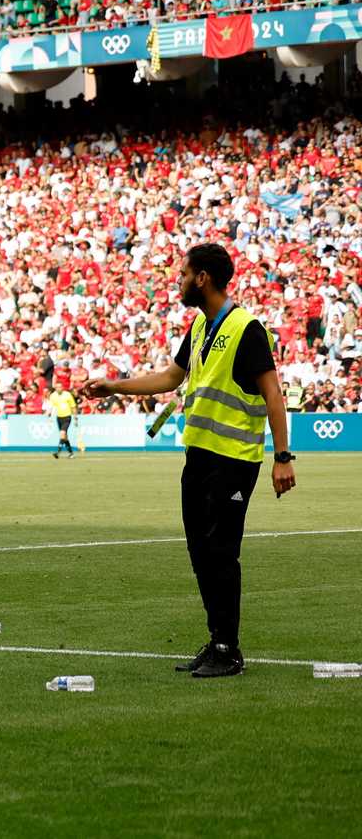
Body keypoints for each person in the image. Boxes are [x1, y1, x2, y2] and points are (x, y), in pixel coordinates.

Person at [82, 243, 296, 679]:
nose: (178, 281)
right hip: (198, 458)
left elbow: (273, 393)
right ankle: (216, 639)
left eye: (184, 274)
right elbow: (171, 377)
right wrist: (114, 386)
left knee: (221, 552)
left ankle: (228, 649)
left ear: (202, 278)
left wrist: (282, 457)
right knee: (201, 552)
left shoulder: (246, 328)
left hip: (234, 461)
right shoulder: (200, 327)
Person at [48, 382, 78, 458]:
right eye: (57, 387)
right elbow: (51, 406)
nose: (59, 388)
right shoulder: (53, 396)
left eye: (60, 387)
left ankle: (58, 452)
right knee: (65, 436)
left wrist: (75, 418)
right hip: (59, 417)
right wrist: (49, 414)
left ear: (63, 387)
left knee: (62, 433)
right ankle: (71, 453)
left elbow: (73, 406)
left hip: (67, 417)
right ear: (55, 388)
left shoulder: (67, 395)